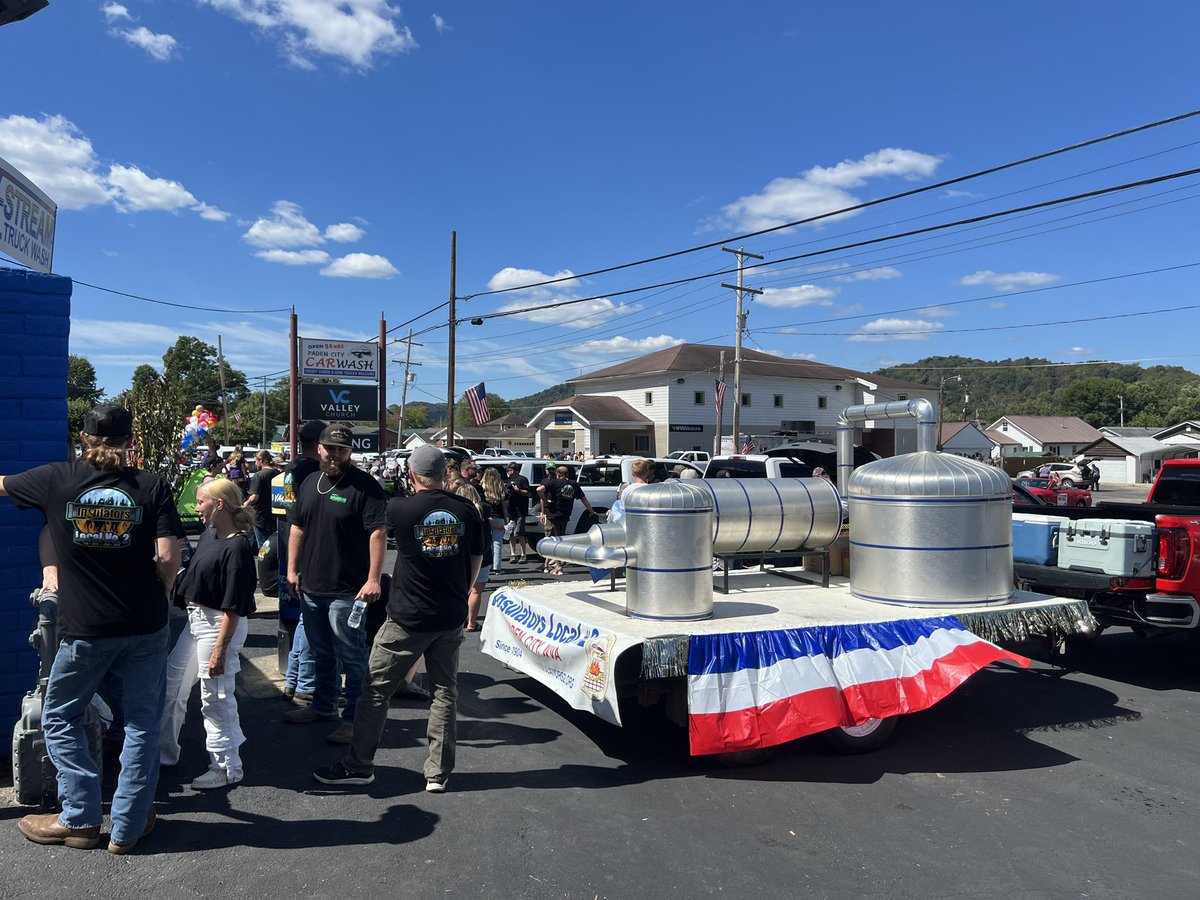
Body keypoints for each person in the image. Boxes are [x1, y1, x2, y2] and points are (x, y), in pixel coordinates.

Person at [1, 405, 181, 854]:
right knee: (141, 725)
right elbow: (167, 557)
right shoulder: (152, 486)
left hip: (85, 630)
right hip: (144, 625)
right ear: (129, 440)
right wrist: (162, 594)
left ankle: (80, 820)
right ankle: (127, 827)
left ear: (83, 439)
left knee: (59, 717)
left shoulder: (55, 479)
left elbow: (1, 485)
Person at [313, 444, 482, 792]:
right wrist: (462, 590)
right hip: (449, 614)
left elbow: (373, 533)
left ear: (411, 475)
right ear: (445, 473)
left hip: (407, 616)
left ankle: (359, 765)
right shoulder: (465, 510)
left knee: (375, 691)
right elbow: (477, 557)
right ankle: (437, 773)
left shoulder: (401, 509)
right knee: (444, 693)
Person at [285, 423, 387, 745]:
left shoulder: (366, 486)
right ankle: (324, 705)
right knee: (321, 652)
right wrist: (292, 570)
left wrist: (373, 578)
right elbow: (297, 529)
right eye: (331, 449)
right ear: (320, 449)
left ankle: (355, 719)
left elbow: (378, 534)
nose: (335, 455)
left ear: (350, 451)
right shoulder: (310, 482)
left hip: (348, 591)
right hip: (311, 587)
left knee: (353, 655)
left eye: (342, 449)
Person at [160, 478, 256, 789]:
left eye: (201, 502)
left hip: (218, 626)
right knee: (173, 684)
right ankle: (162, 754)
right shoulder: (211, 533)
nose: (196, 507)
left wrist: (220, 650)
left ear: (219, 505)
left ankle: (227, 766)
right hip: (196, 621)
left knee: (215, 696)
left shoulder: (238, 547)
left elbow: (234, 606)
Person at [274, 420, 325, 703]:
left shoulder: (291, 469)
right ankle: (305, 684)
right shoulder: (312, 471)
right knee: (311, 620)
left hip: (292, 545)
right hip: (309, 550)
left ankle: (294, 680)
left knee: (307, 620)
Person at [538, 465, 595, 576]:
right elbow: (583, 499)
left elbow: (539, 490)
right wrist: (591, 511)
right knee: (558, 539)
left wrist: (545, 501)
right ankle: (546, 564)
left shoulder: (553, 483)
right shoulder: (574, 484)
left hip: (552, 515)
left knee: (552, 541)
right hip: (565, 516)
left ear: (557, 474)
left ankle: (558, 566)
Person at [457, 483, 491, 631]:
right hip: (483, 555)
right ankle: (472, 622)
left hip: (462, 556)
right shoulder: (483, 510)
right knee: (476, 591)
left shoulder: (457, 511)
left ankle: (460, 620)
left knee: (461, 591)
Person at [245, 450, 278, 548]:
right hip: (274, 513)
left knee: (263, 546)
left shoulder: (258, 475)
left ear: (261, 460)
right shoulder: (276, 473)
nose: (255, 463)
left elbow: (254, 497)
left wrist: (245, 505)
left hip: (261, 515)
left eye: (256, 460)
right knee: (273, 544)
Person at [480, 467, 508, 576]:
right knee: (497, 544)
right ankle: (496, 567)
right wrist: (506, 520)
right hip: (499, 517)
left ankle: (487, 565)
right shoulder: (500, 487)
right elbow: (504, 506)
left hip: (487, 518)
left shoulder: (482, 488)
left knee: (486, 543)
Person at [504, 461, 532, 564]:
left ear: (515, 470)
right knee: (510, 532)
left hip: (520, 511)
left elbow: (528, 493)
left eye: (509, 470)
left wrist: (518, 490)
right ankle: (512, 555)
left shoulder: (522, 479)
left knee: (520, 533)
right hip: (511, 511)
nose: (508, 472)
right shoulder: (508, 481)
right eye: (507, 470)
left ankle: (523, 554)